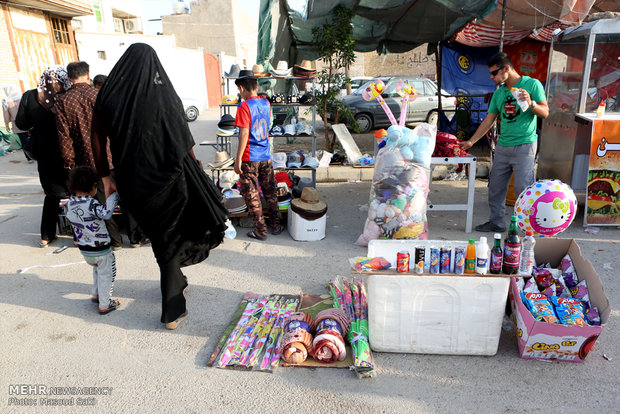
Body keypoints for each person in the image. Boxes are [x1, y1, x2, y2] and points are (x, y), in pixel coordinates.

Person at [92, 43, 228, 330]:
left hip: (131, 183)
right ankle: (172, 311)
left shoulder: (108, 95)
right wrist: (195, 166)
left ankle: (177, 280)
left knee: (160, 236)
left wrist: (105, 178)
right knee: (168, 239)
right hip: (169, 177)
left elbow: (96, 139)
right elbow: (183, 134)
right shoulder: (164, 94)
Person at [459, 52, 549, 232]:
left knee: (523, 190)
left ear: (506, 69)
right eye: (491, 74)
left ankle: (527, 227)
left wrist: (530, 103)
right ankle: (497, 223)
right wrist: (471, 142)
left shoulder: (532, 84)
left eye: (494, 73)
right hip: (503, 146)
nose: (491, 77)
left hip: (525, 145)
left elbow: (545, 112)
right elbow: (488, 120)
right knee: (496, 188)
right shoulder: (499, 93)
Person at [55, 61, 123, 249]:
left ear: (69, 78)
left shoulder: (63, 101)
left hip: (86, 159)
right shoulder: (99, 94)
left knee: (98, 200)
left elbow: (64, 136)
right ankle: (135, 236)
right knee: (120, 194)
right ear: (88, 75)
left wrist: (69, 163)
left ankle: (114, 240)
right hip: (110, 154)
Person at [15, 66, 72, 247]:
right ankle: (79, 235)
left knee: (52, 194)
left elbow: (21, 123)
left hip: (45, 152)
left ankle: (46, 236)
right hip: (69, 151)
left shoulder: (30, 96)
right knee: (75, 193)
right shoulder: (68, 94)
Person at [65, 166, 121, 314]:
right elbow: (106, 214)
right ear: (93, 187)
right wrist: (114, 196)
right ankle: (105, 303)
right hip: (101, 249)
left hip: (85, 249)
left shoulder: (68, 204)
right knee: (107, 274)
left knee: (98, 271)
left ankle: (97, 294)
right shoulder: (91, 203)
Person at [233, 73, 282, 241]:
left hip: (250, 157)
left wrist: (238, 158)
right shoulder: (265, 103)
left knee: (252, 194)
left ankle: (261, 230)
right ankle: (276, 225)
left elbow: (244, 133)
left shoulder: (244, 106)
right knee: (270, 191)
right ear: (256, 86)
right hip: (265, 154)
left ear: (241, 87)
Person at [3, 85, 33, 162]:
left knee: (24, 141)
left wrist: (7, 125)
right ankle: (36, 154)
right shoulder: (23, 98)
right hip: (28, 123)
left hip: (17, 125)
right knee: (33, 139)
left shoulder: (6, 102)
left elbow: (6, 115)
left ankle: (29, 158)